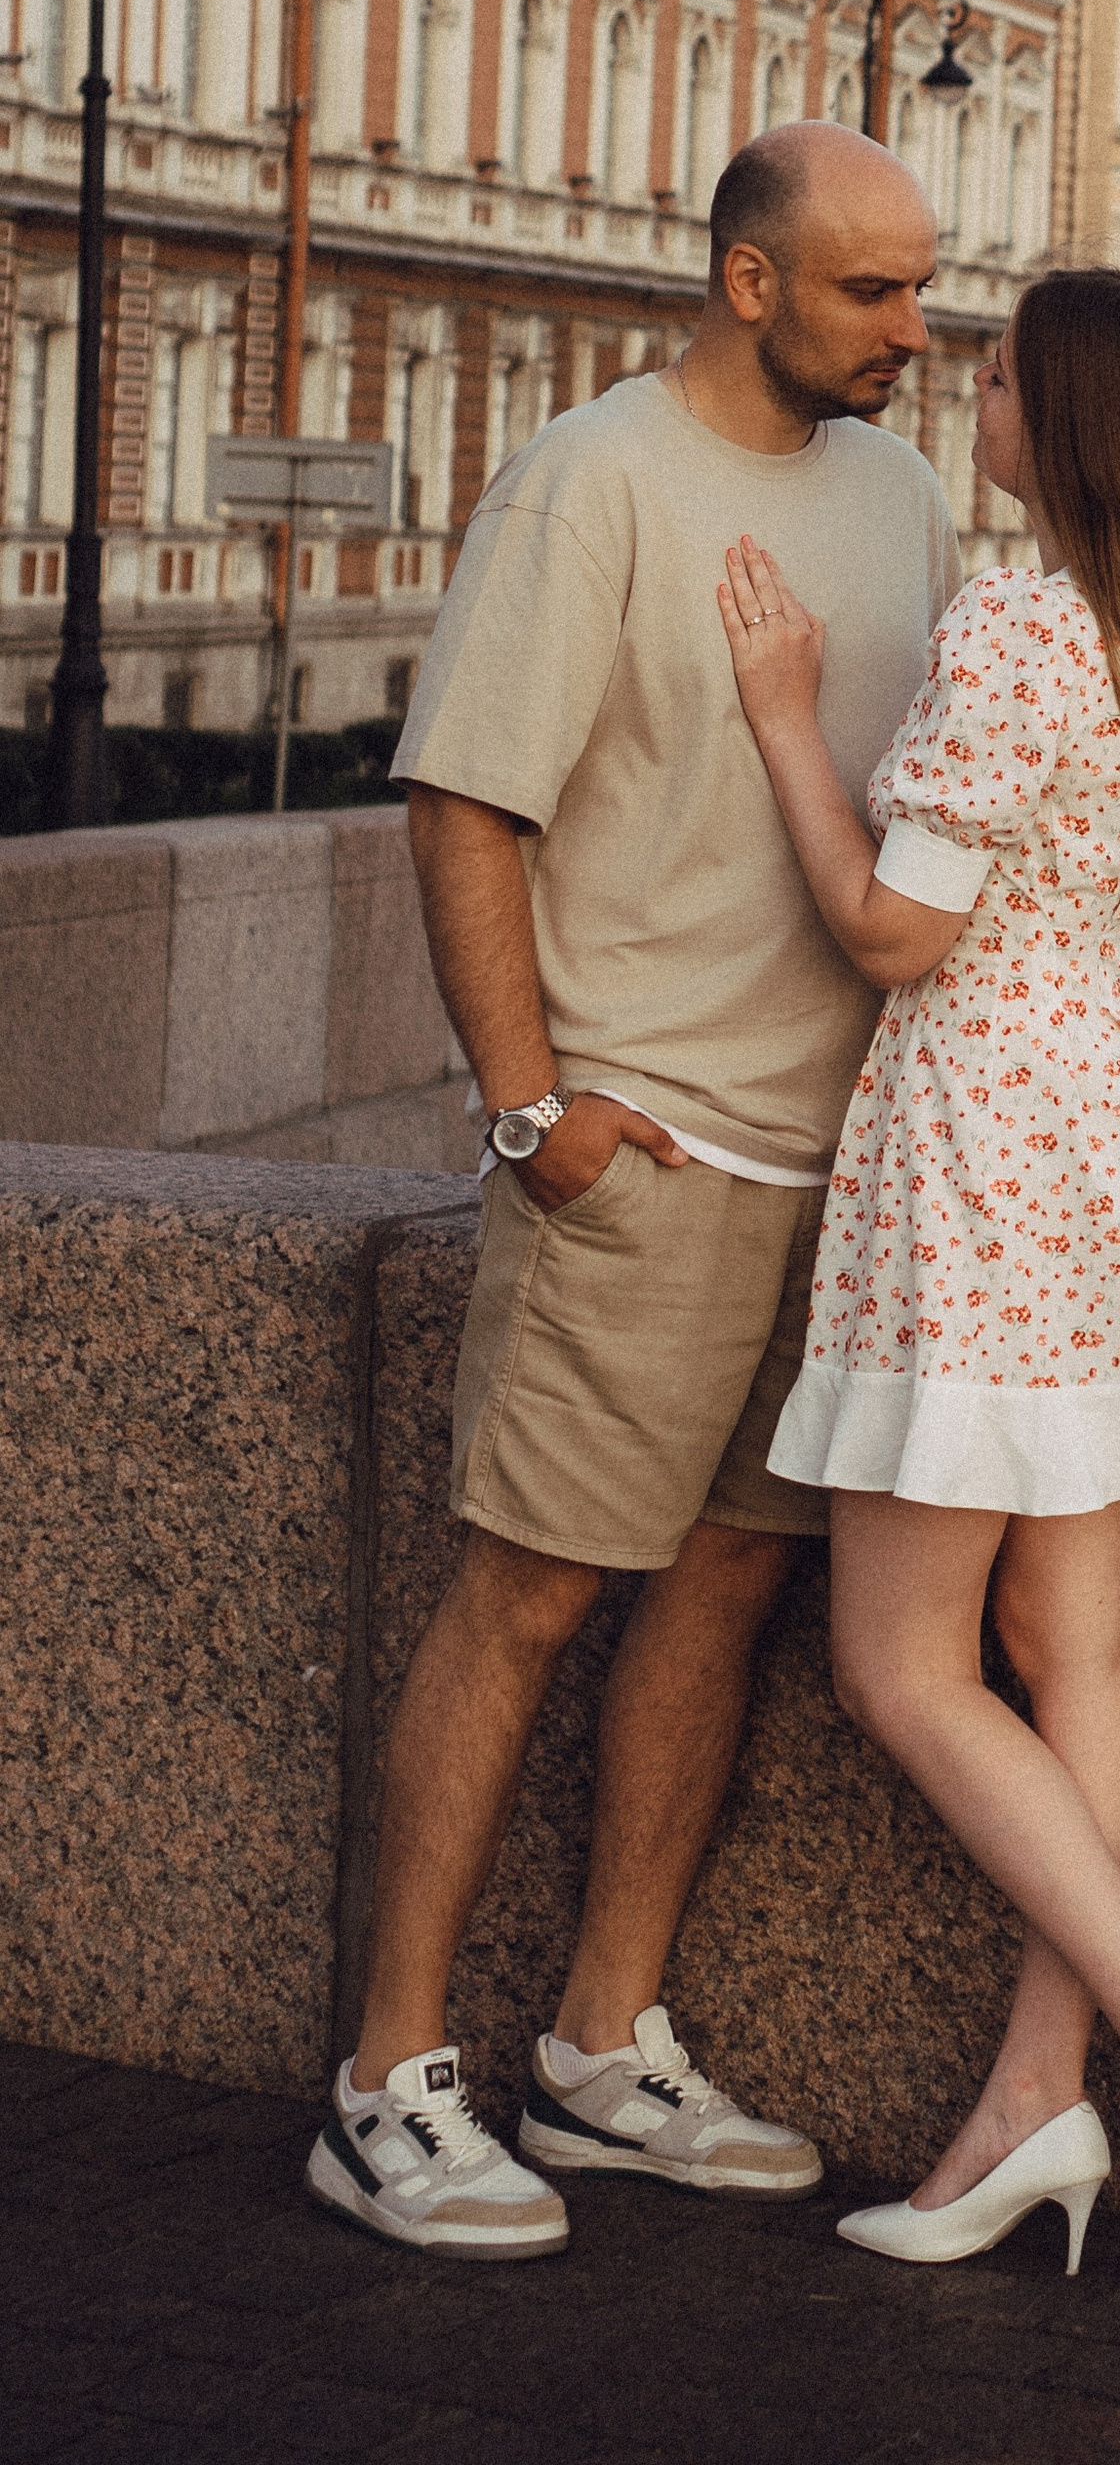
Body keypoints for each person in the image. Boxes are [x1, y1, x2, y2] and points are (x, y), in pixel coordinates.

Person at [308, 122, 960, 2261]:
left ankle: (602, 2052)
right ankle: (387, 2083)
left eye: (923, 286)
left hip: (839, 1153)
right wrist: (532, 1109)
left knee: (721, 1593)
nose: (913, 330)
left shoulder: (901, 496)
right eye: (872, 292)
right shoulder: (589, 483)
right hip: (646, 1146)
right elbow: (463, 802)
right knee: (529, 1594)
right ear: (749, 284)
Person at [716, 264, 1120, 2302]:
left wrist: (776, 722)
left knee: (900, 1664)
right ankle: (1029, 2101)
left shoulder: (1017, 616)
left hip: (996, 1152)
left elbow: (892, 932)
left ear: (1058, 422)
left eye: (998, 376)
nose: (970, 394)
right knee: (1069, 1636)